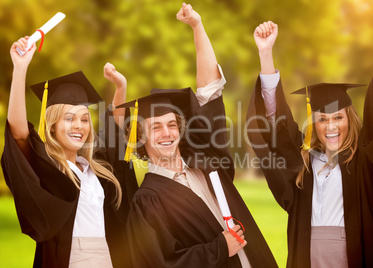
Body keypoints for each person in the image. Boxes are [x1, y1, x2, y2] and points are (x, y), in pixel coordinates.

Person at [118, 3, 278, 268]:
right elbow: (158, 264)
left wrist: (197, 26)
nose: (166, 133)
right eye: (155, 127)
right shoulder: (146, 201)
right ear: (140, 137)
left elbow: (209, 93)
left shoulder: (208, 165)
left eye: (171, 124)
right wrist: (218, 249)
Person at [246, 12, 373, 268]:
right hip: (307, 255)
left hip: (354, 255)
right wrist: (265, 54)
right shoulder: (302, 163)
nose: (331, 126)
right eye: (322, 119)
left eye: (338, 117)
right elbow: (276, 125)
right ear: (313, 124)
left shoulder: (363, 161)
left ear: (349, 119)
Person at [1, 37, 135, 267]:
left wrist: (120, 87)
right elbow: (19, 134)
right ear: (52, 124)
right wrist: (20, 68)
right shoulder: (47, 168)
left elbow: (115, 128)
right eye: (69, 118)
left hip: (106, 258)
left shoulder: (95, 166)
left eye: (84, 119)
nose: (78, 126)